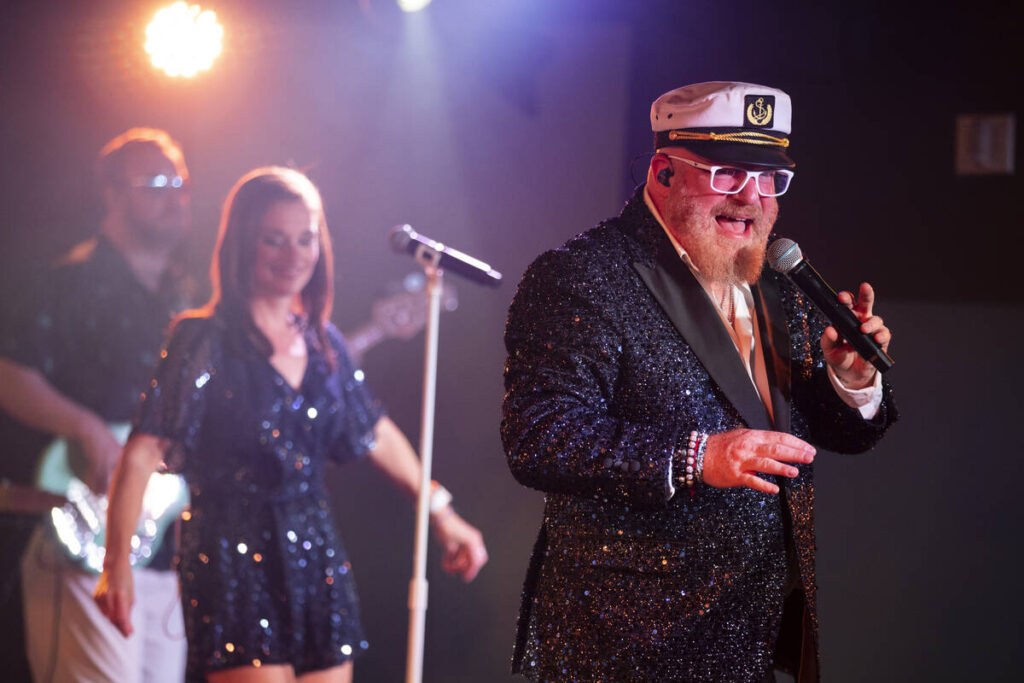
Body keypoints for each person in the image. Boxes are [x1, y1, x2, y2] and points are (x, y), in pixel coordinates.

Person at [501, 82, 898, 682]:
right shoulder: (582, 276)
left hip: (754, 639)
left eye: (768, 178)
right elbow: (539, 437)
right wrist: (696, 456)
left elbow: (834, 435)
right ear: (663, 172)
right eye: (727, 173)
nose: (750, 197)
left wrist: (852, 380)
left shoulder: (778, 281)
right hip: (623, 650)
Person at [93, 166, 489, 683]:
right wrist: (116, 563)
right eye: (274, 240)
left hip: (315, 552)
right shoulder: (202, 339)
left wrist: (442, 513)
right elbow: (143, 451)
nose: (294, 255)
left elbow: (375, 432)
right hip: (230, 556)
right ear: (243, 245)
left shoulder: (324, 343)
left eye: (306, 239)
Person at [0, 127, 193, 682]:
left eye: (179, 182)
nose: (173, 196)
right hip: (79, 530)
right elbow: (10, 373)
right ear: (111, 193)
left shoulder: (189, 298)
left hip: (159, 542)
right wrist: (86, 428)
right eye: (154, 183)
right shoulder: (70, 281)